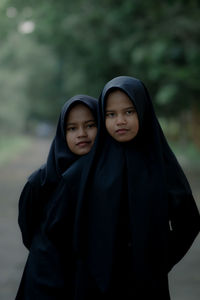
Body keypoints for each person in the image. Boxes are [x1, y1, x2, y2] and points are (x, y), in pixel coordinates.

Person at [58, 76, 200, 299]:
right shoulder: (88, 167)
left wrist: (159, 261)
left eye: (129, 112)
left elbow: (189, 220)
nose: (120, 121)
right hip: (94, 284)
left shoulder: (161, 164)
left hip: (146, 285)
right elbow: (60, 223)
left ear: (143, 111)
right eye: (110, 114)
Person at [15, 95, 98, 300]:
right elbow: (28, 229)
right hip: (44, 279)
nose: (82, 134)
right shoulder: (41, 180)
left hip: (89, 279)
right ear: (62, 132)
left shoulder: (107, 177)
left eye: (89, 125)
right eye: (72, 128)